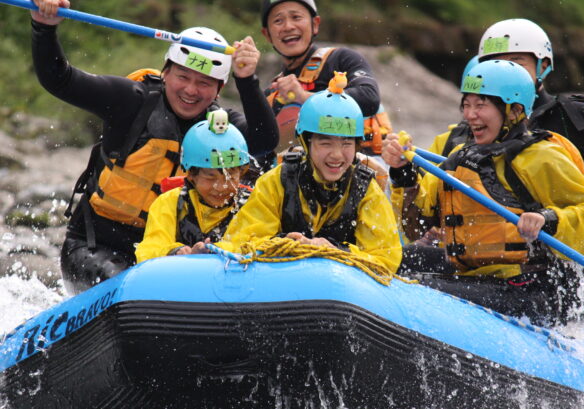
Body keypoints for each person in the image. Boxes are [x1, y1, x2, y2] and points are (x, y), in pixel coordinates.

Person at [31, 0, 279, 293]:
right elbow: (60, 80)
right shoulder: (130, 100)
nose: (190, 90)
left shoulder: (221, 127)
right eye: (183, 77)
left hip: (171, 252)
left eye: (203, 83)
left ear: (218, 89)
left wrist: (247, 79)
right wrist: (43, 28)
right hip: (97, 246)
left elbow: (265, 143)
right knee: (130, 284)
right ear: (166, 72)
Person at [383, 60, 584, 325]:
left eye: (481, 105)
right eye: (466, 104)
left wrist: (548, 219)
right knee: (389, 260)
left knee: (416, 287)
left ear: (514, 111)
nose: (470, 115)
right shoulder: (461, 157)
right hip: (479, 274)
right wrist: (403, 173)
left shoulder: (541, 158)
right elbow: (416, 226)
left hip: (532, 287)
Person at [216, 74, 402, 275]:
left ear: (357, 145)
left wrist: (334, 251)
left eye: (346, 143)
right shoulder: (277, 180)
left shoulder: (366, 189)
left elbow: (385, 259)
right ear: (306, 142)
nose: (337, 155)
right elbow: (239, 242)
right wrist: (288, 245)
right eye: (325, 142)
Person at [478, 18, 584, 207]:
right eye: (496, 65)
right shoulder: (477, 124)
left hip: (575, 229)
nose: (507, 73)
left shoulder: (582, 115)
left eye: (516, 62)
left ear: (543, 65)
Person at [260, 0, 388, 157]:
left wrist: (303, 97)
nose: (288, 26)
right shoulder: (271, 95)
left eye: (296, 17)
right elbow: (256, 149)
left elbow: (370, 99)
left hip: (363, 164)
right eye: (278, 20)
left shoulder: (341, 60)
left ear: (315, 24)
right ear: (267, 34)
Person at [135, 111, 250, 262]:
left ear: (241, 173)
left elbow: (258, 241)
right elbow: (149, 250)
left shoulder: (252, 204)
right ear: (191, 175)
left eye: (231, 176)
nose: (222, 187)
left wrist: (216, 251)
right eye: (210, 176)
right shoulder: (170, 203)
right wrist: (177, 252)